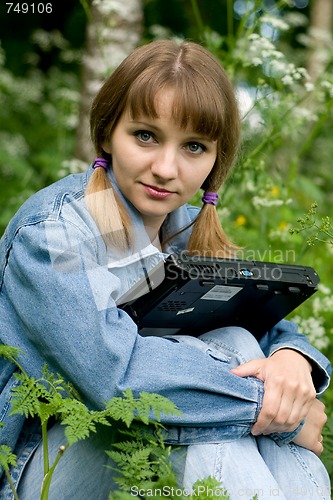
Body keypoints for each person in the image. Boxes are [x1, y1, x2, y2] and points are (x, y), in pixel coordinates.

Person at [0, 39, 331, 499]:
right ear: (107, 132)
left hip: (156, 443)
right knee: (224, 403)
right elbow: (118, 378)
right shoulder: (55, 235)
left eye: (194, 146)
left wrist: (292, 361)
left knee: (237, 341)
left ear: (216, 161)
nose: (165, 167)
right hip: (44, 467)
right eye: (145, 135)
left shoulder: (191, 230)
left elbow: (272, 332)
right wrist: (272, 410)